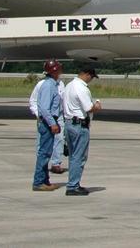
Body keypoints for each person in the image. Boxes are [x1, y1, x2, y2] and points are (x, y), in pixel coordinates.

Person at [61, 65, 102, 196]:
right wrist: (97, 106)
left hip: (69, 123)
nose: (91, 80)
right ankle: (73, 185)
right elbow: (89, 108)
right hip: (79, 125)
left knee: (73, 156)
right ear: (87, 74)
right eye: (91, 77)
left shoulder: (69, 85)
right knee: (79, 157)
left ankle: (73, 183)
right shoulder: (81, 88)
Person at [30, 59, 65, 191]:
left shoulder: (53, 84)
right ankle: (39, 182)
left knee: (47, 152)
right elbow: (44, 108)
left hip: (49, 121)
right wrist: (52, 123)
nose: (61, 71)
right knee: (44, 153)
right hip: (47, 122)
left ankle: (45, 181)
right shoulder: (49, 86)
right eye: (59, 69)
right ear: (54, 71)